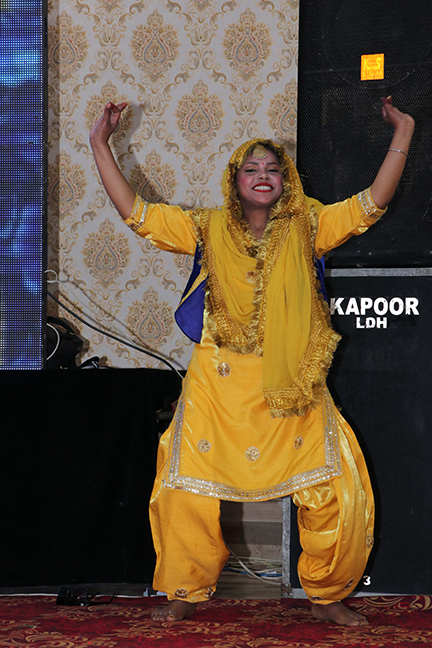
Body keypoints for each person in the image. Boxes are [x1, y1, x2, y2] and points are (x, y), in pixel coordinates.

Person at [90, 97, 414, 626]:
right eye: (251, 168)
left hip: (291, 383)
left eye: (273, 169)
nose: (263, 175)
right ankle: (183, 590)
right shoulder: (205, 227)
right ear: (234, 180)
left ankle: (327, 595)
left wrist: (403, 131)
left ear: (286, 181)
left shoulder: (310, 225)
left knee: (335, 488)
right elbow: (138, 215)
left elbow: (371, 203)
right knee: (183, 488)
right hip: (216, 387)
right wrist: (99, 143)